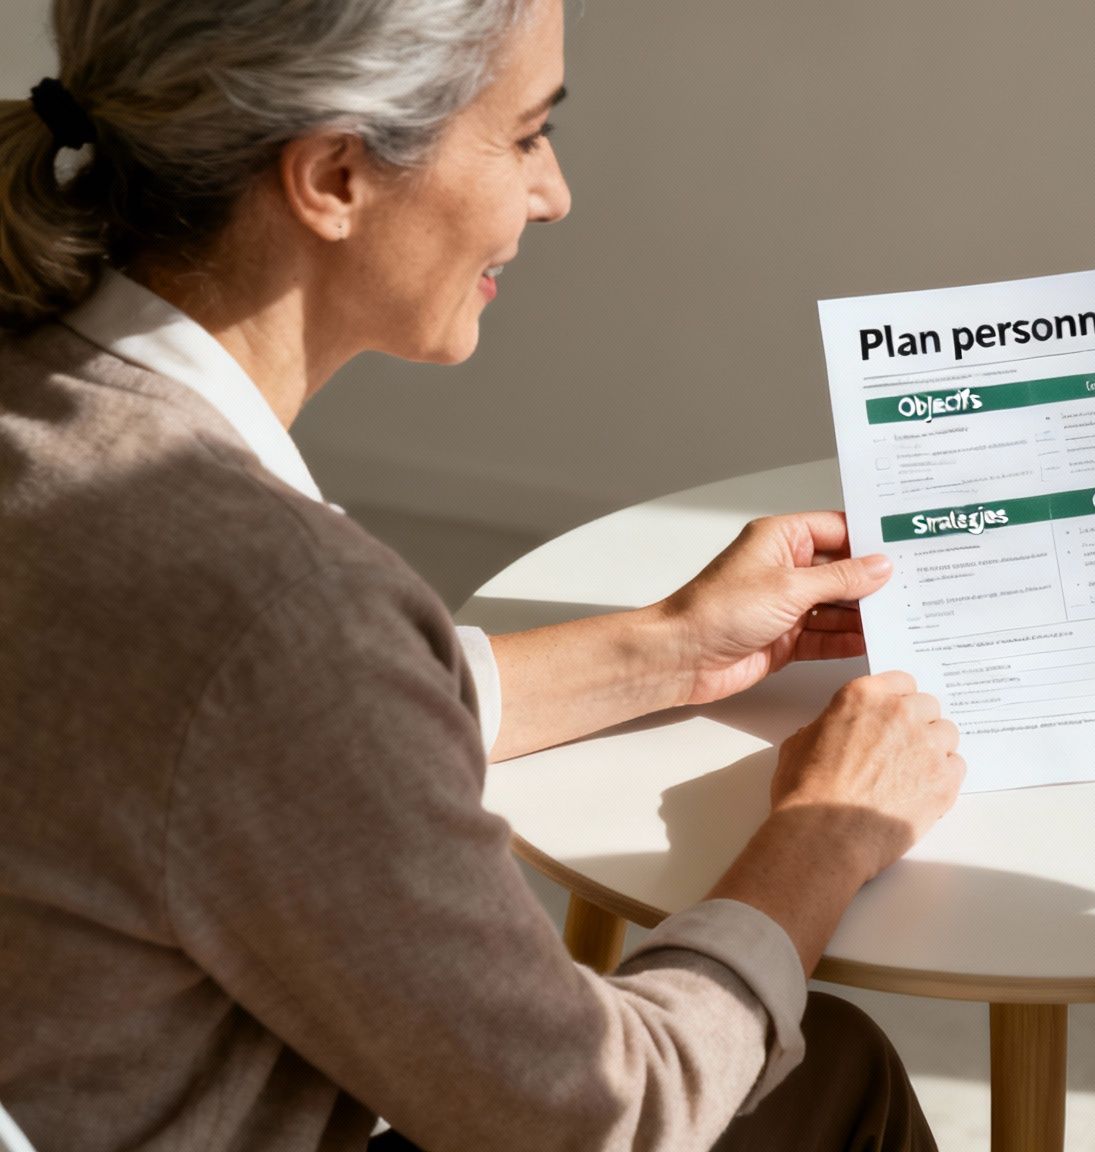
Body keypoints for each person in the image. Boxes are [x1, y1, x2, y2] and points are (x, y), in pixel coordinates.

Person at [0, 2, 963, 1150]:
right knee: (832, 1075)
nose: (551, 195)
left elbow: (234, 727)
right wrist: (822, 836)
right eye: (522, 136)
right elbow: (610, 1116)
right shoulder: (278, 608)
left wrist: (669, 642)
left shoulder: (48, 408)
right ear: (336, 175)